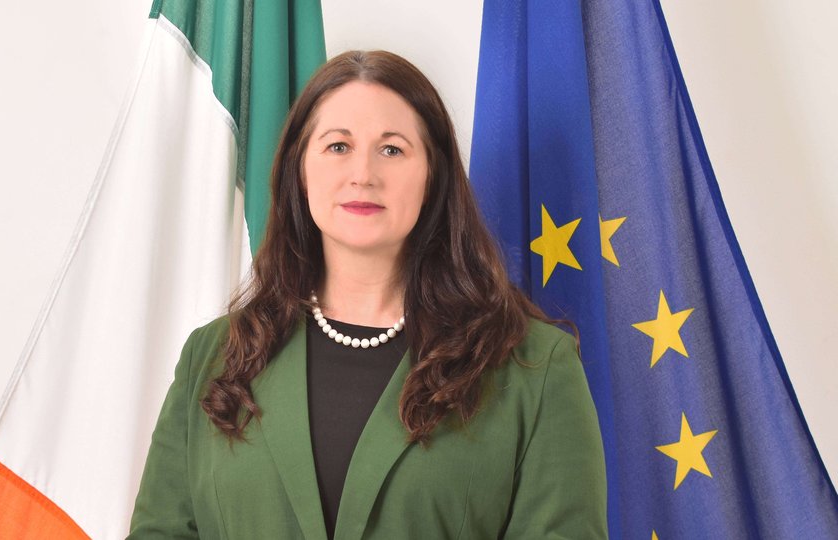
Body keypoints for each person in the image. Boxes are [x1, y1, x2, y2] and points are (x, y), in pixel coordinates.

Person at [127, 50, 607, 540]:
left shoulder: (534, 366)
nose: (363, 174)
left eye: (392, 149)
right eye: (337, 146)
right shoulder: (212, 357)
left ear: (432, 177)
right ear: (300, 170)